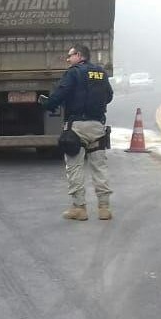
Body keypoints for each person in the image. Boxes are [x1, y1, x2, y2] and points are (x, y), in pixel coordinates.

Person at [39, 44, 114, 221]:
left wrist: (47, 104)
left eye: (70, 55)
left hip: (77, 127)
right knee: (99, 167)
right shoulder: (101, 73)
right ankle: (104, 208)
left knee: (74, 167)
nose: (68, 59)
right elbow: (109, 96)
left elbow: (60, 94)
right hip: (98, 126)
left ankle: (79, 208)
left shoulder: (74, 72)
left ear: (79, 55)